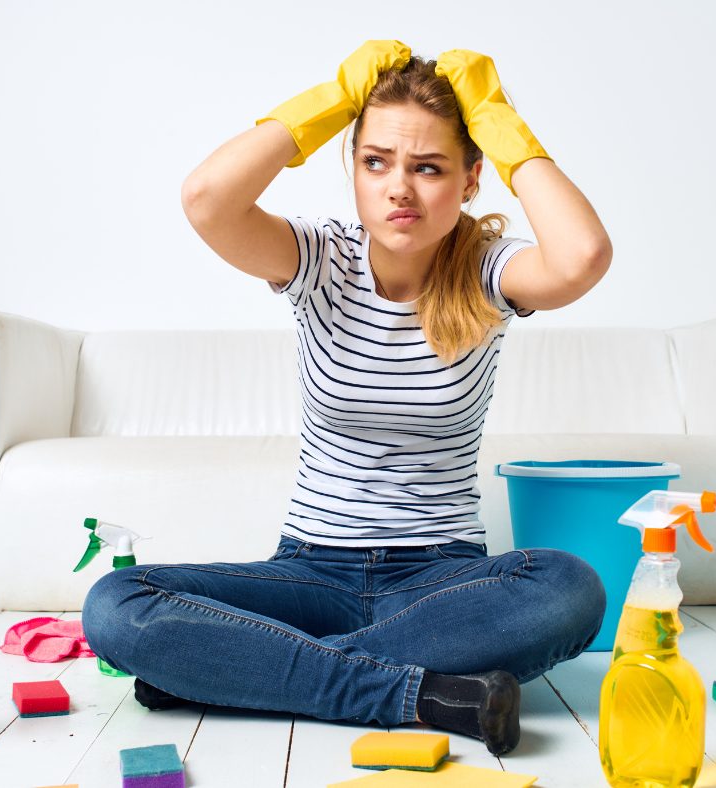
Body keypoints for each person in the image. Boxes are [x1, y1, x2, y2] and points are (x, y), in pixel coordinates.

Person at [82, 41, 611, 756]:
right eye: (377, 161)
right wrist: (335, 96)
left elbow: (581, 257)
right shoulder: (320, 258)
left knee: (570, 587)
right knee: (117, 606)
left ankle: (246, 671)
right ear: (352, 169)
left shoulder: (489, 270)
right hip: (310, 572)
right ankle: (409, 693)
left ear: (471, 179)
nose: (400, 188)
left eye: (428, 168)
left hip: (441, 581)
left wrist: (497, 118)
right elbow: (207, 199)